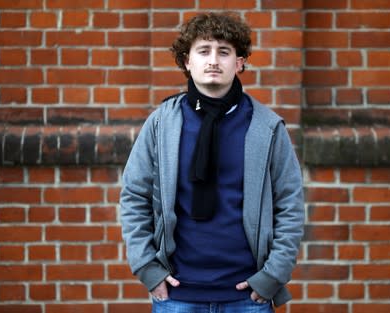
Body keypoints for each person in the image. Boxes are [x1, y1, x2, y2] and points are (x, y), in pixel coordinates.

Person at [120, 12, 304, 313]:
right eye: (203, 51)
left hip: (247, 296)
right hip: (177, 295)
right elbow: (134, 197)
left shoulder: (266, 128)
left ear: (240, 62)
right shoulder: (161, 124)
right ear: (187, 61)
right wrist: (148, 269)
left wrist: (272, 276)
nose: (214, 60)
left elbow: (290, 204)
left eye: (224, 52)